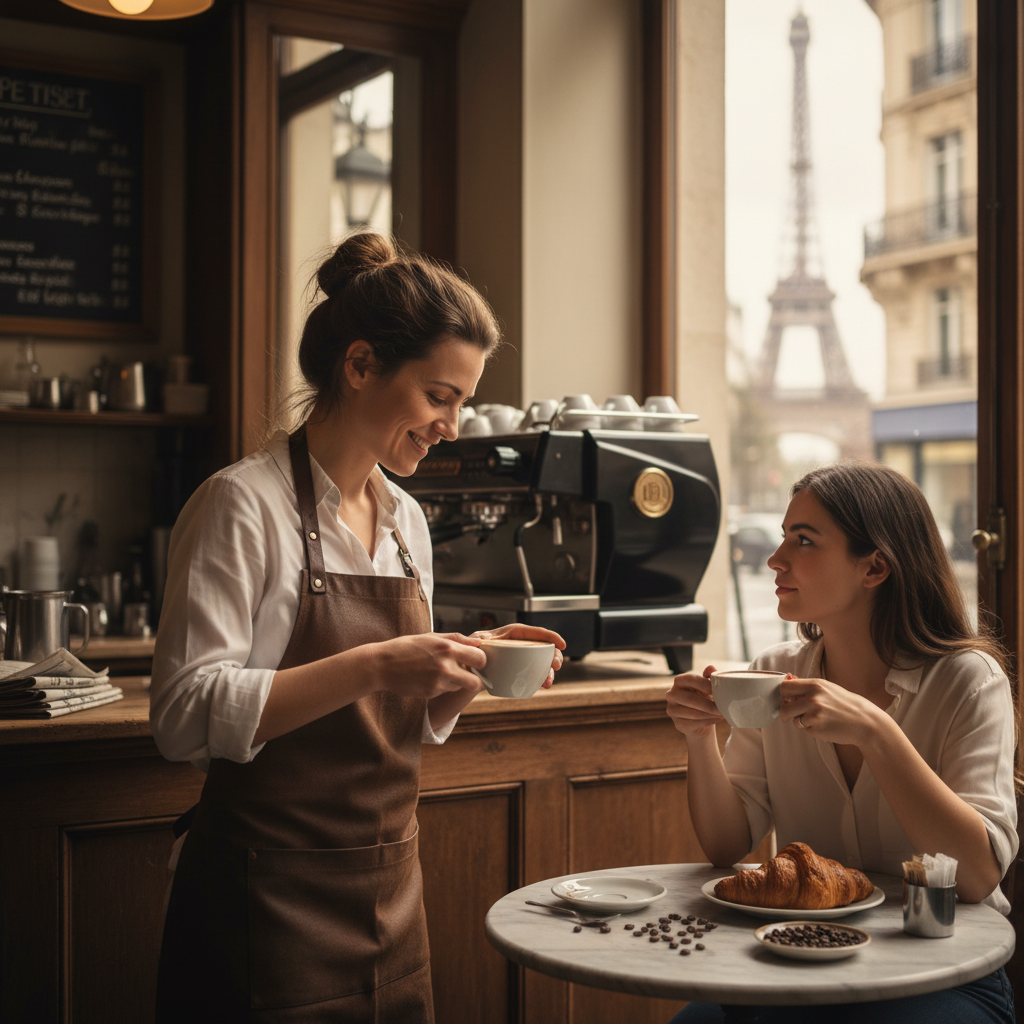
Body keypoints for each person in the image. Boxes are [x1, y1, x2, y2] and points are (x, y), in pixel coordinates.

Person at [150, 232, 564, 1023]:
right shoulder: (242, 505)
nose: (452, 424)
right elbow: (181, 715)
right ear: (361, 365)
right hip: (261, 893)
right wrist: (378, 663)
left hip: (391, 888)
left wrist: (471, 666)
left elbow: (404, 718)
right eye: (439, 396)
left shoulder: (407, 520)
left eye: (464, 403)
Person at [666, 462, 1017, 1024]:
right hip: (799, 957)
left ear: (874, 567)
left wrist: (877, 733)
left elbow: (976, 878)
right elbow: (726, 845)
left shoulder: (968, 681)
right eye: (782, 537)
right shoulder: (772, 673)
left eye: (803, 541)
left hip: (940, 967)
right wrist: (699, 735)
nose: (775, 559)